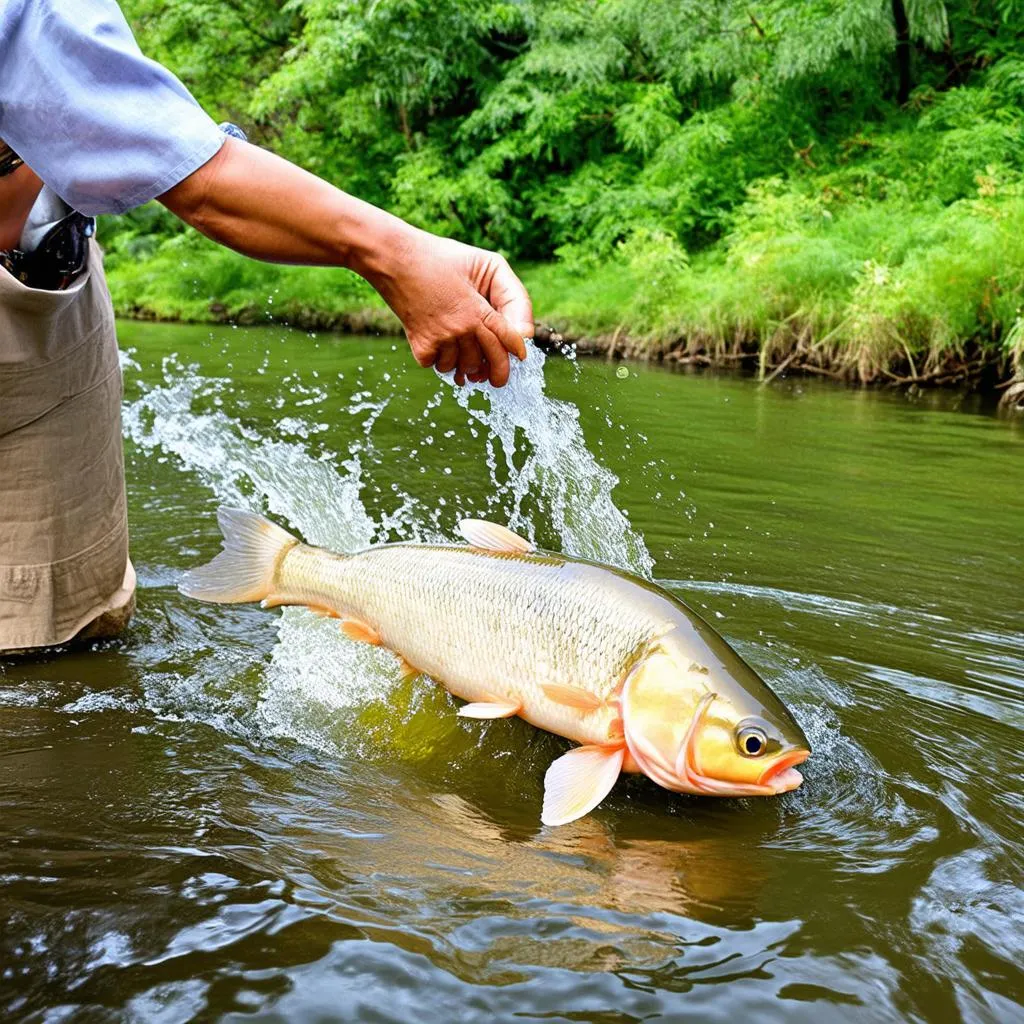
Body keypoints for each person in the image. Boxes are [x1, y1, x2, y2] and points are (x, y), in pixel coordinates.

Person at [0, 0, 534, 655]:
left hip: (42, 286)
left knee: (66, 640)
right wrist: (397, 257)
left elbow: (177, 161)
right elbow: (199, 182)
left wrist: (403, 257)